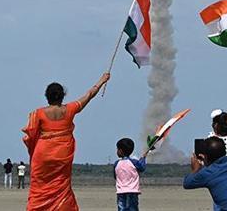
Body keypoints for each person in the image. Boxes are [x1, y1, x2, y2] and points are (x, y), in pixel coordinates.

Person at [22, 72, 111, 210]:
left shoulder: (37, 113)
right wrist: (102, 81)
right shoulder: (70, 109)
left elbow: (31, 135)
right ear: (63, 95)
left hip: (43, 154)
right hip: (62, 154)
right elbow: (88, 95)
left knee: (39, 186)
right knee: (61, 184)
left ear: (47, 96)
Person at [114, 138, 147, 211]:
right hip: (132, 192)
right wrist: (143, 158)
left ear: (120, 151)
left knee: (121, 209)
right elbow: (142, 167)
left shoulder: (116, 164)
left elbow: (115, 176)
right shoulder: (134, 162)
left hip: (121, 192)